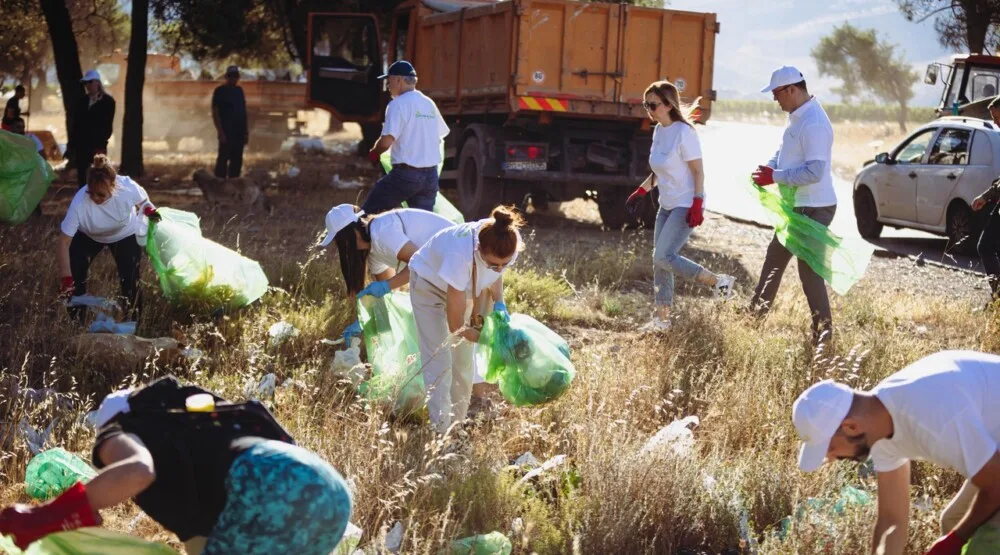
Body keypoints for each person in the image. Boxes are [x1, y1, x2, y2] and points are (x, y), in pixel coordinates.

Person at [0, 376, 352, 554]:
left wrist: (46, 515)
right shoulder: (200, 424)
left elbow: (138, 471)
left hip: (262, 483)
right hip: (331, 492)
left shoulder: (123, 429)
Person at [792, 350, 1000, 555]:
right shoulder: (879, 424)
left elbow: (996, 484)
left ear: (851, 427)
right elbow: (891, 520)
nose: (830, 458)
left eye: (830, 448)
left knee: (984, 545)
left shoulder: (933, 416)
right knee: (953, 521)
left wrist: (958, 538)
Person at [624, 80, 735, 332]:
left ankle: (718, 282)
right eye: (645, 104)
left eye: (653, 104)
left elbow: (698, 171)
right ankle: (662, 321)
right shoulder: (659, 132)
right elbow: (660, 171)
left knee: (664, 256)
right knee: (659, 261)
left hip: (686, 204)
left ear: (668, 104)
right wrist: (641, 191)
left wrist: (697, 202)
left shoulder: (685, 133)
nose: (648, 109)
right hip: (667, 204)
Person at [407, 206, 522, 433]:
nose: (499, 269)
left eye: (505, 264)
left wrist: (500, 304)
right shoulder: (459, 255)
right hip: (428, 285)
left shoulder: (508, 238)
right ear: (479, 250)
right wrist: (486, 339)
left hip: (463, 286)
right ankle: (441, 432)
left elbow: (495, 274)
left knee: (463, 362)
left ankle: (456, 427)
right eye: (492, 264)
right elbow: (456, 326)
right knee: (438, 359)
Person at [749, 66, 837, 345]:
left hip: (814, 208)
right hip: (799, 205)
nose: (776, 100)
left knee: (809, 272)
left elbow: (814, 172)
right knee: (775, 257)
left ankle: (822, 336)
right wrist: (771, 166)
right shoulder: (797, 118)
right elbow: (785, 150)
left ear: (792, 89)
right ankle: (754, 316)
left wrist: (774, 177)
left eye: (777, 94)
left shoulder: (814, 124)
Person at [317, 203, 456, 342]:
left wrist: (386, 286)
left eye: (340, 242)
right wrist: (367, 320)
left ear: (352, 234)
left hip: (457, 257)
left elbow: (420, 263)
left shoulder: (382, 231)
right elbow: (389, 295)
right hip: (444, 269)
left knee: (450, 335)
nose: (340, 248)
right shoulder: (373, 251)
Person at [57, 155, 156, 321]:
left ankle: (134, 322)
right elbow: (63, 242)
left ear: (113, 186)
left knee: (130, 279)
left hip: (124, 234)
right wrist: (66, 278)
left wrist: (152, 213)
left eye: (101, 195)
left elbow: (145, 204)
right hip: (88, 235)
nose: (95, 198)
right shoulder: (80, 202)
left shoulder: (127, 188)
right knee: (76, 277)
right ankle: (76, 323)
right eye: (91, 193)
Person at [362, 60, 449, 215]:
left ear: (399, 80)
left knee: (368, 213)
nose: (388, 86)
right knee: (421, 226)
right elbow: (439, 135)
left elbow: (387, 141)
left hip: (406, 176)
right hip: (430, 177)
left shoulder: (397, 105)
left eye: (389, 81)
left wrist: (374, 153)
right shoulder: (428, 103)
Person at [69, 70, 115, 189]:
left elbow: (107, 125)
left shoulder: (108, 101)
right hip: (81, 146)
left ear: (98, 83)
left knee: (98, 176)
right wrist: (72, 145)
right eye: (85, 83)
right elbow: (76, 125)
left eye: (90, 82)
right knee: (83, 178)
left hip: (98, 146)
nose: (87, 86)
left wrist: (101, 141)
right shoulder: (81, 102)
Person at [212, 65, 248, 178]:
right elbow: (215, 113)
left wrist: (246, 132)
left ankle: (233, 183)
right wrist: (220, 132)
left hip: (239, 132)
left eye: (235, 76)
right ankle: (219, 184)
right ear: (226, 77)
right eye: (231, 76)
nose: (234, 79)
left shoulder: (239, 91)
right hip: (227, 131)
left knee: (237, 160)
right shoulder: (219, 91)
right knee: (223, 159)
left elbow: (243, 112)